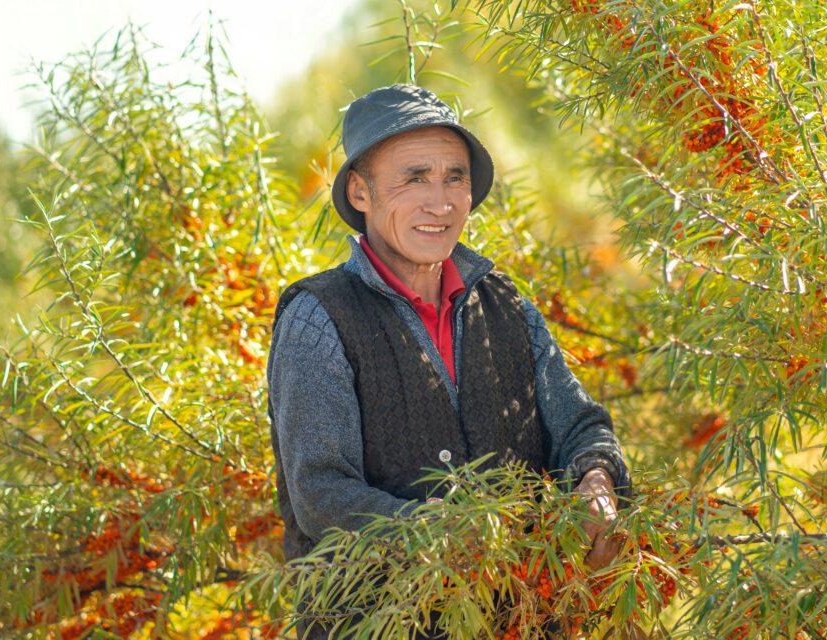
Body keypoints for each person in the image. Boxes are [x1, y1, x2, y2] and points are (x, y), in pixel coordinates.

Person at [266, 84, 631, 638]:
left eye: (454, 177)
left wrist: (596, 481)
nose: (440, 203)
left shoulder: (506, 304)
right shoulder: (318, 317)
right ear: (360, 193)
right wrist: (444, 535)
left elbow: (580, 426)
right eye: (414, 178)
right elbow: (321, 494)